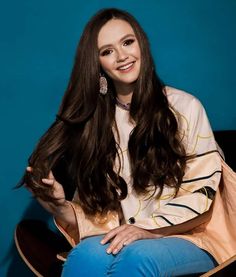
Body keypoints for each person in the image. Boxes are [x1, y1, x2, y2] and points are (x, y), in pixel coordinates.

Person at [19, 8, 231, 277]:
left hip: (193, 237)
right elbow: (102, 221)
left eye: (127, 42)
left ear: (141, 44)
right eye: (107, 51)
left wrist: (147, 230)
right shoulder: (97, 126)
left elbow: (202, 196)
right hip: (126, 238)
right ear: (97, 65)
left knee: (137, 256)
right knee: (85, 255)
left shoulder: (185, 108)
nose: (121, 56)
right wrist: (60, 205)